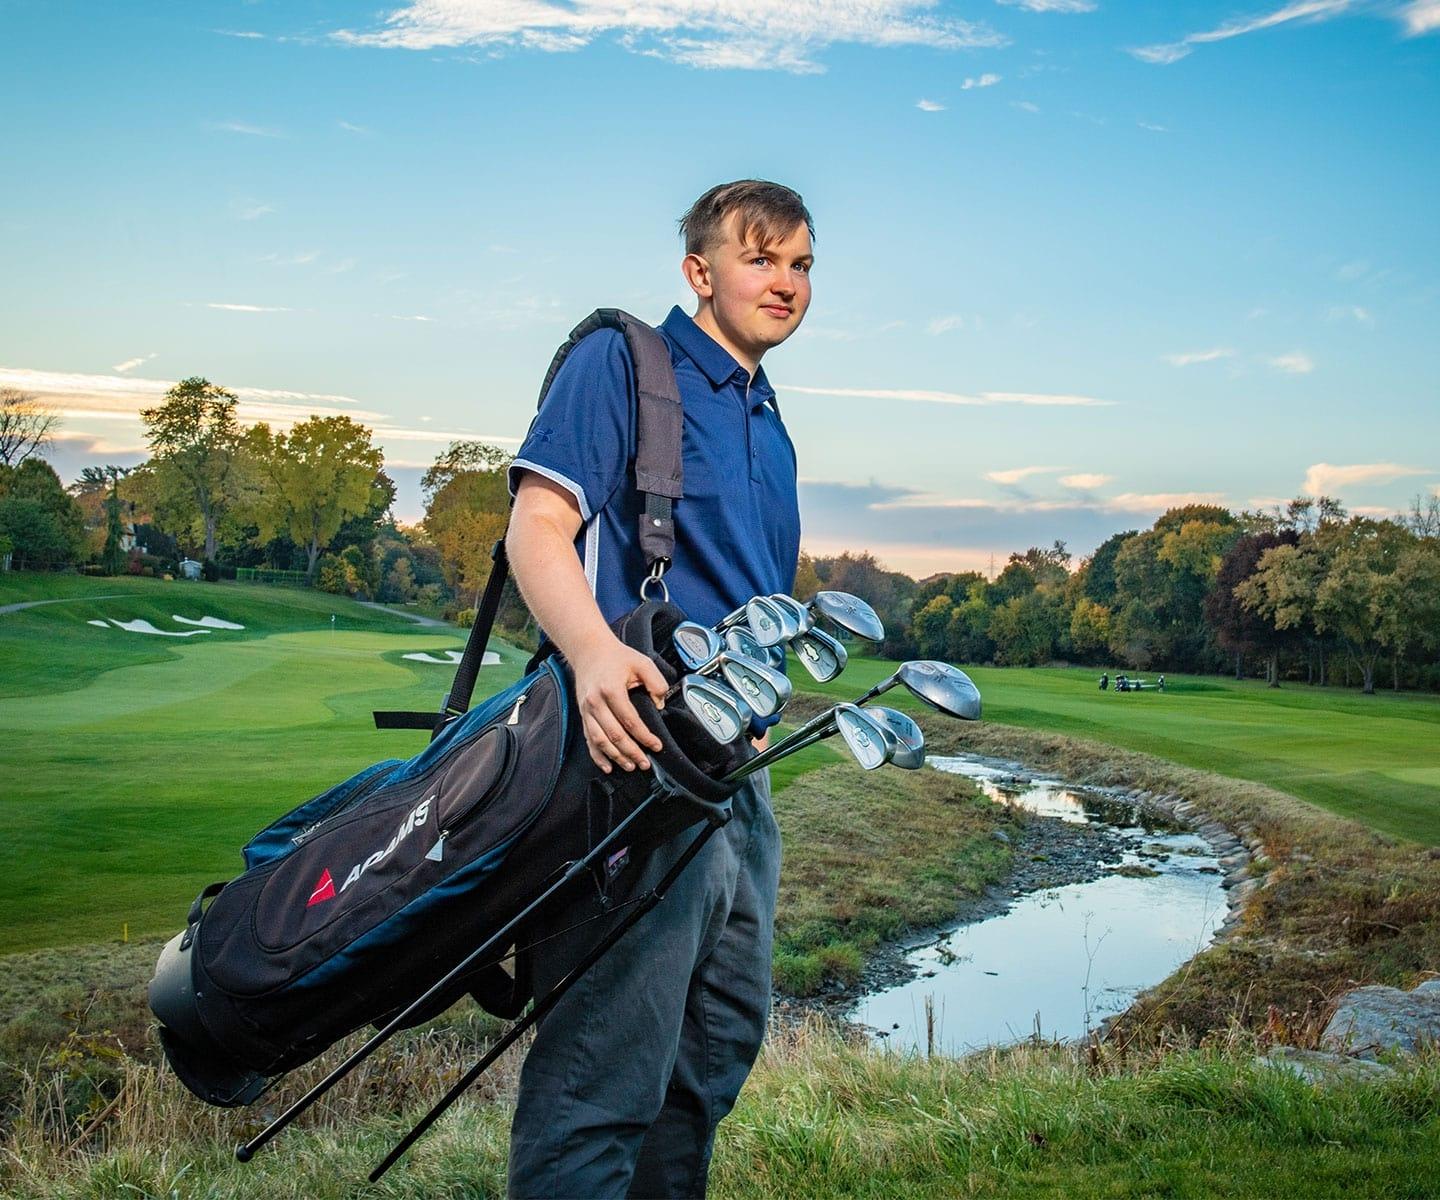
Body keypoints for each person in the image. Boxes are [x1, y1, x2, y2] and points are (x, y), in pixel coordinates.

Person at [503, 180, 814, 1199]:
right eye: (760, 257)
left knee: (712, 1056)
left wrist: (760, 725)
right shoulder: (625, 364)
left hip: (736, 778)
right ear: (700, 270)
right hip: (637, 763)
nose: (785, 282)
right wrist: (593, 652)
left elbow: (751, 599)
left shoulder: (771, 423)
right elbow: (538, 528)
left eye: (801, 265)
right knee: (604, 1077)